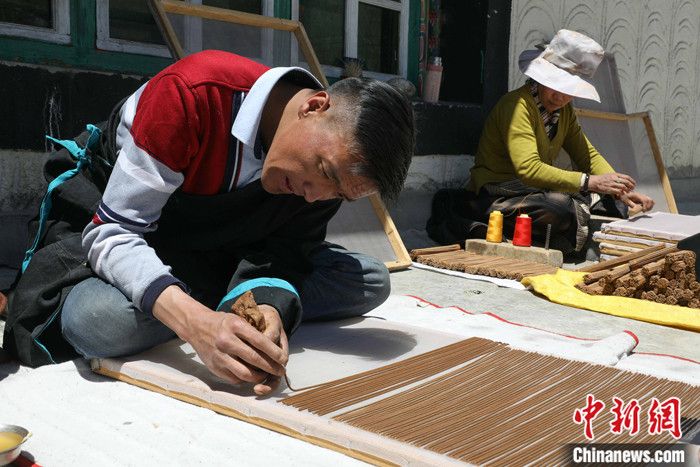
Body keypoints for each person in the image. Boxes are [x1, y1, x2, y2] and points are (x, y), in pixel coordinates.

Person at [14, 50, 415, 394]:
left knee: (370, 280)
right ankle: (205, 300)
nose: (314, 196)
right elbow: (113, 232)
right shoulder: (192, 94)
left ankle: (220, 298)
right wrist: (197, 325)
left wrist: (269, 307)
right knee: (98, 321)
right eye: (324, 172)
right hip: (143, 239)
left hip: (226, 252)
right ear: (314, 106)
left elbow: (287, 250)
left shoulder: (323, 180)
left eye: (339, 194)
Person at [429, 30, 654, 253]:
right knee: (558, 208)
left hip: (533, 192)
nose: (561, 97)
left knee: (611, 203)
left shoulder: (565, 112)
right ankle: (473, 211)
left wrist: (619, 190)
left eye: (569, 90)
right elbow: (528, 169)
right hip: (499, 193)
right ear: (540, 77)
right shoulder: (517, 106)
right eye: (555, 86)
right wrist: (590, 182)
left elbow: (587, 154)